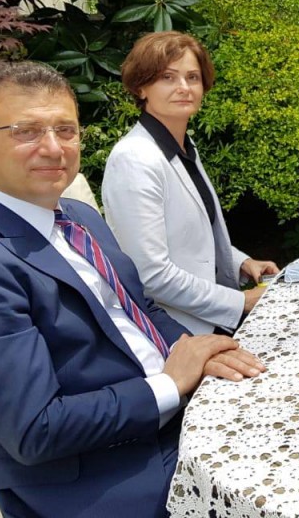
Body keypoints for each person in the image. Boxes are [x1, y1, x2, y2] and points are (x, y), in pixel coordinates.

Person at [0, 61, 265, 518]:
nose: (52, 148)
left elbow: (139, 309)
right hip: (105, 479)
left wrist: (197, 350)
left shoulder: (80, 219)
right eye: (27, 132)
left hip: (169, 425)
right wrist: (169, 383)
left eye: (66, 130)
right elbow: (35, 429)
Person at [103, 32, 278, 336]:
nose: (184, 88)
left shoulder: (182, 145)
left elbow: (190, 238)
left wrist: (240, 262)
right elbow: (151, 275)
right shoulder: (134, 159)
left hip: (208, 318)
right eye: (168, 77)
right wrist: (243, 301)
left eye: (193, 77)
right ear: (142, 87)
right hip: (175, 333)